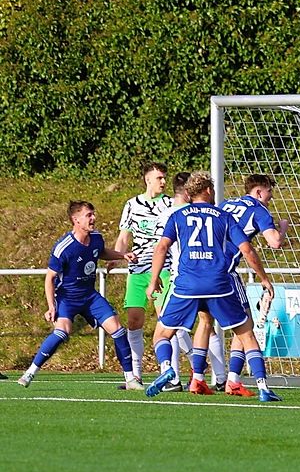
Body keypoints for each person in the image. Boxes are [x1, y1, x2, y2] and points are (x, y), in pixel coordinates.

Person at [143, 172, 280, 401]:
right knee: (246, 334)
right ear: (207, 190)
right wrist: (264, 278)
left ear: (189, 193)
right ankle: (263, 387)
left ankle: (168, 367)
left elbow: (161, 248)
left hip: (186, 284)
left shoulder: (177, 216)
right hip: (219, 283)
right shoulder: (223, 216)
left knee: (162, 335)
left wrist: (154, 279)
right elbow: (247, 249)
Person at [18, 201, 138, 389]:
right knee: (61, 333)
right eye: (88, 215)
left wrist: (122, 256)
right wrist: (51, 306)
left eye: (93, 214)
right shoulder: (64, 247)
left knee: (118, 329)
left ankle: (130, 379)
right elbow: (49, 278)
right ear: (76, 220)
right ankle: (30, 372)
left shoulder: (96, 237)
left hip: (89, 296)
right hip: (67, 297)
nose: (93, 218)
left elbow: (101, 252)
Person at [213, 173, 289, 397]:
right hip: (225, 271)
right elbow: (274, 242)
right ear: (258, 192)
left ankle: (219, 380)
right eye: (269, 192)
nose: (271, 197)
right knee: (246, 325)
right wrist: (282, 227)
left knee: (213, 326)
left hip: (201, 269)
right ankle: (260, 385)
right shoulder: (259, 209)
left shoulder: (225, 204)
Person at [150, 171, 224, 393]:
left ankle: (171, 373)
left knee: (167, 329)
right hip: (211, 276)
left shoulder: (169, 215)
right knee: (211, 325)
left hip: (181, 278)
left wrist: (153, 279)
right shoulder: (215, 214)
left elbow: (160, 247)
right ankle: (219, 376)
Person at [112, 161, 173, 386]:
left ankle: (169, 373)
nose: (164, 182)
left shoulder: (169, 204)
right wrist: (117, 256)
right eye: (159, 178)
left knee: (165, 319)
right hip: (137, 270)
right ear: (148, 180)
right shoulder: (132, 204)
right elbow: (124, 236)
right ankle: (135, 375)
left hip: (163, 267)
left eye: (165, 178)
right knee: (134, 320)